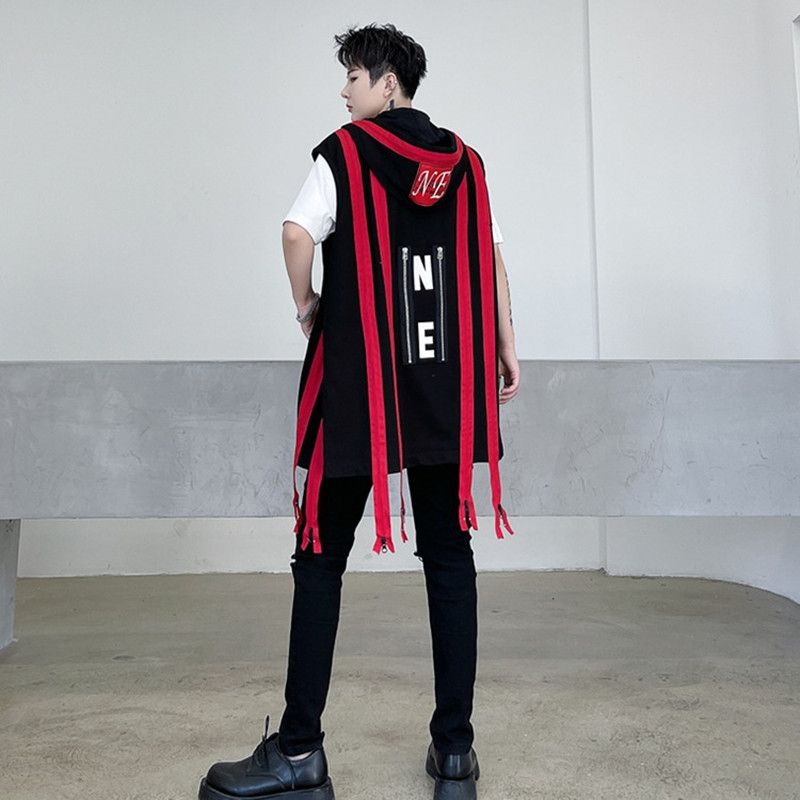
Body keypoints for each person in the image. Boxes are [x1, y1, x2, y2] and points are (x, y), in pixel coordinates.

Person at [198, 22, 520, 800]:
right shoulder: (466, 164)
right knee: (449, 557)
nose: (344, 91)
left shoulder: (344, 155)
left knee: (320, 558)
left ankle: (300, 752)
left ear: (388, 83)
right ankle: (455, 754)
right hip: (444, 390)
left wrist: (307, 305)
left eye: (353, 76)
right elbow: (490, 256)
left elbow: (295, 234)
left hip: (362, 394)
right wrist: (507, 344)